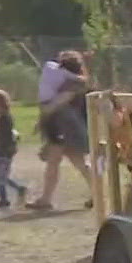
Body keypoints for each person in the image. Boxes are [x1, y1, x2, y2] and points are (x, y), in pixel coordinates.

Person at [30, 52, 94, 210]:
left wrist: (44, 113)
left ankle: (46, 199)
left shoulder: (72, 85)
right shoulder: (69, 82)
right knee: (75, 162)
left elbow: (56, 104)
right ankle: (97, 194)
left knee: (59, 160)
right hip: (60, 123)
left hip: (63, 124)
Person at [0, 89, 27, 209]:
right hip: (1, 149)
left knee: (1, 176)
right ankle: (6, 196)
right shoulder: (0, 117)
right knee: (1, 176)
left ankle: (14, 192)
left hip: (4, 150)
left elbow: (6, 134)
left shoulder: (5, 118)